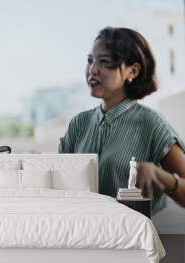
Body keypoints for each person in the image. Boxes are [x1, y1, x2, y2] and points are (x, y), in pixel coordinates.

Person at [59, 27, 185, 214]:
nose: (92, 70)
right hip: (77, 236)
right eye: (90, 60)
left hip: (130, 240)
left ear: (132, 71)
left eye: (104, 62)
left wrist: (160, 176)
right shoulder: (78, 124)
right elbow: (58, 187)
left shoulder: (151, 124)